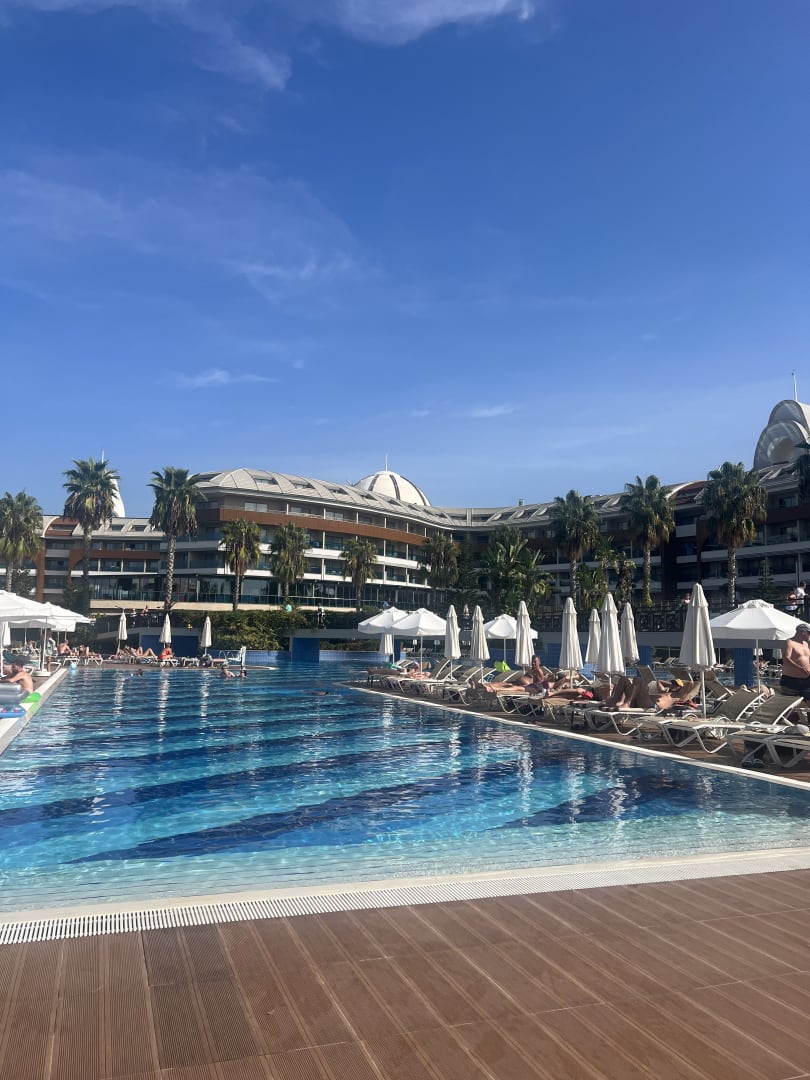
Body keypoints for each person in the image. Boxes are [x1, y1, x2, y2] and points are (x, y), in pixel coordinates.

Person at [780, 624, 810, 698]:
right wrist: (800, 668)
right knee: (789, 701)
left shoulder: (806, 644)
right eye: (809, 633)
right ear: (803, 632)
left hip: (806, 679)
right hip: (791, 679)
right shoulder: (789, 642)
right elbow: (786, 658)